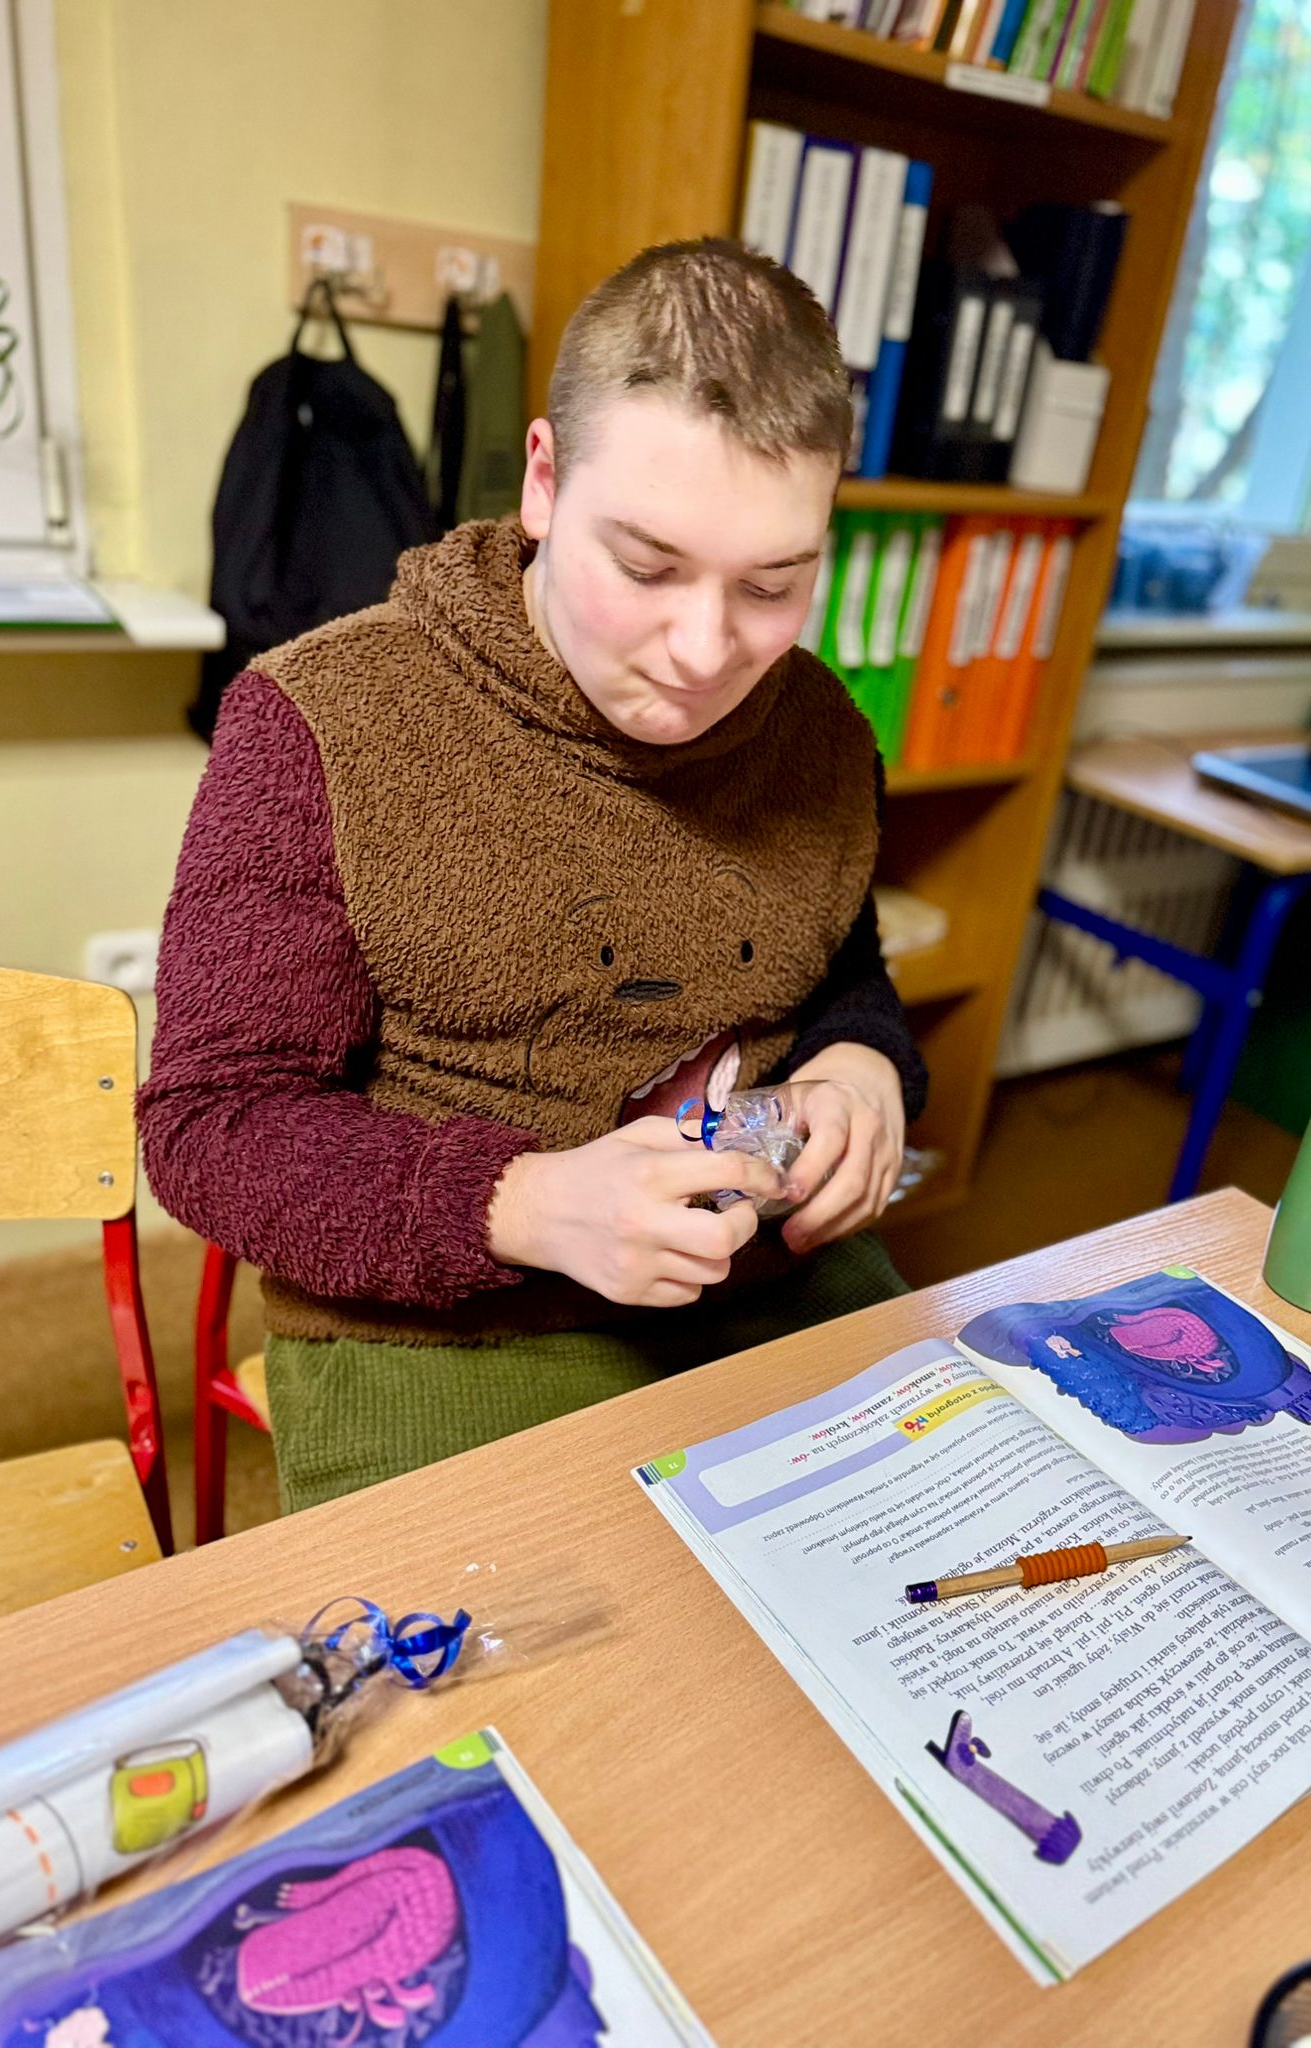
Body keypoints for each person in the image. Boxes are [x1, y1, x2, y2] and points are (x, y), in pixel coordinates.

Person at [139, 238, 928, 1514]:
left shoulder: (823, 729)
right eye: (648, 567)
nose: (707, 650)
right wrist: (524, 1203)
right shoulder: (323, 720)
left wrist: (865, 1069)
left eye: (773, 585)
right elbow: (213, 1127)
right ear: (546, 483)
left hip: (767, 1278)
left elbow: (842, 969)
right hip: (437, 1326)